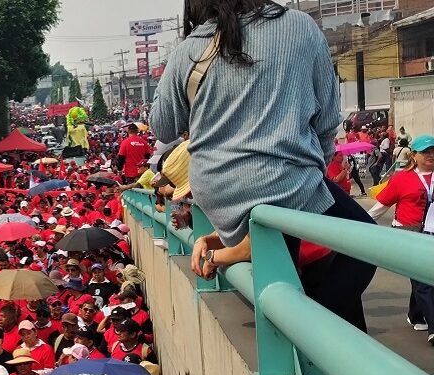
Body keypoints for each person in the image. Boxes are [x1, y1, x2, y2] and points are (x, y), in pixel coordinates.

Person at [153, 0, 377, 332]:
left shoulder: (191, 47)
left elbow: (162, 125)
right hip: (286, 181)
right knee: (366, 242)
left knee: (285, 261)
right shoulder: (299, 26)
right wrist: (313, 169)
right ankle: (312, 326)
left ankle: (255, 268)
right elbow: (328, 119)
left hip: (215, 190)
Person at [367, 134, 434, 342]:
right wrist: (360, 224)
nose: (431, 155)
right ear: (414, 155)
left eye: (433, 151)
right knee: (424, 281)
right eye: (425, 152)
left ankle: (415, 314)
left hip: (432, 233)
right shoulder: (402, 179)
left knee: (422, 279)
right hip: (409, 234)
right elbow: (380, 208)